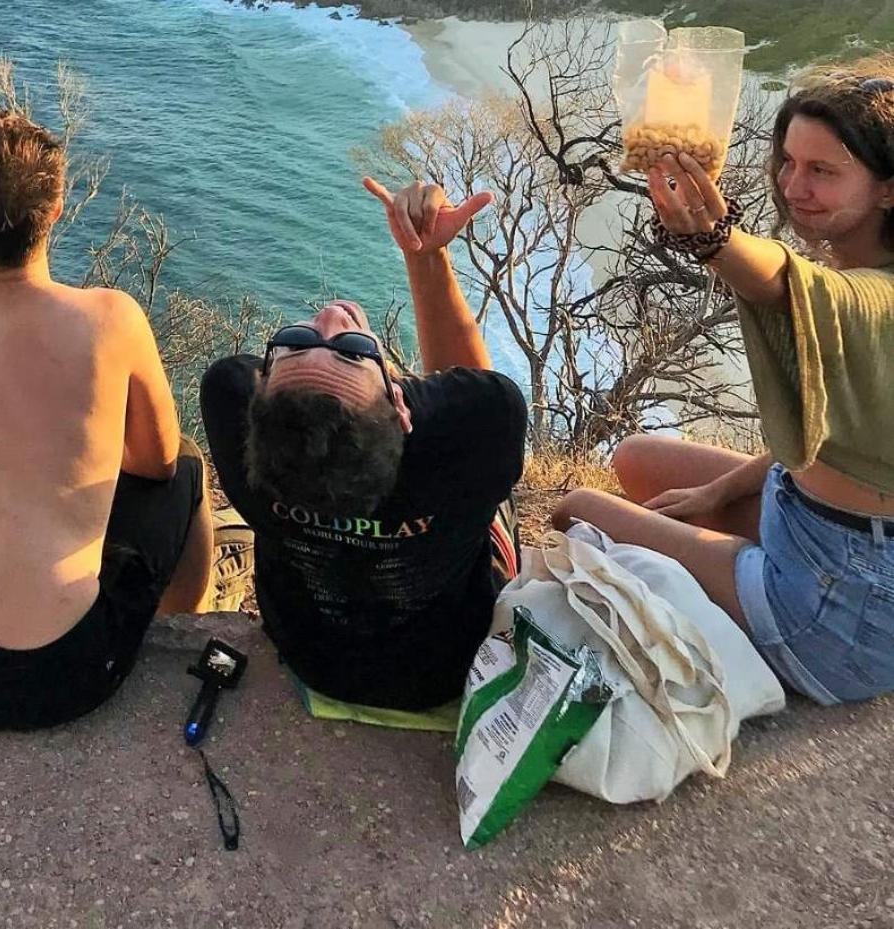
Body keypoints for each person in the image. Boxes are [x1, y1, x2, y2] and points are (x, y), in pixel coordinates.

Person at [556, 60, 894, 706]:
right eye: (789, 161)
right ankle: (727, 555)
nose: (794, 186)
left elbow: (781, 280)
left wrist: (715, 238)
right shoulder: (865, 274)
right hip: (824, 528)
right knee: (637, 460)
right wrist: (716, 489)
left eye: (824, 171)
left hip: (840, 614)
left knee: (579, 508)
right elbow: (827, 429)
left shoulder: (867, 298)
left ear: (887, 189)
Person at [0, 109, 214, 729]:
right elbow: (155, 462)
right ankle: (181, 625)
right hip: (63, 673)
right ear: (55, 212)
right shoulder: (112, 317)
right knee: (187, 466)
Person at [200, 176, 528, 712]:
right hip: (445, 668)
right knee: (494, 496)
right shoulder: (479, 427)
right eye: (353, 350)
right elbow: (470, 395)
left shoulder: (229, 400)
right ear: (403, 407)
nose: (330, 315)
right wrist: (426, 259)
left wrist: (361, 366)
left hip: (313, 656)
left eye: (298, 342)